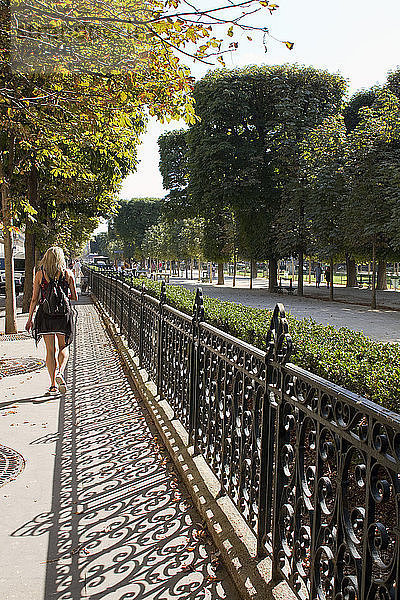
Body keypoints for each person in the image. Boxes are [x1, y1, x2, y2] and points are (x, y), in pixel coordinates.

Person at [25, 246, 78, 394]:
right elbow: (74, 297)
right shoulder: (68, 274)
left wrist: (30, 319)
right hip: (62, 316)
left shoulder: (40, 275)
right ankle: (60, 372)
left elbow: (34, 299)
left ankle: (53, 384)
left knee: (50, 350)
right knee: (64, 347)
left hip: (45, 315)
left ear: (46, 258)